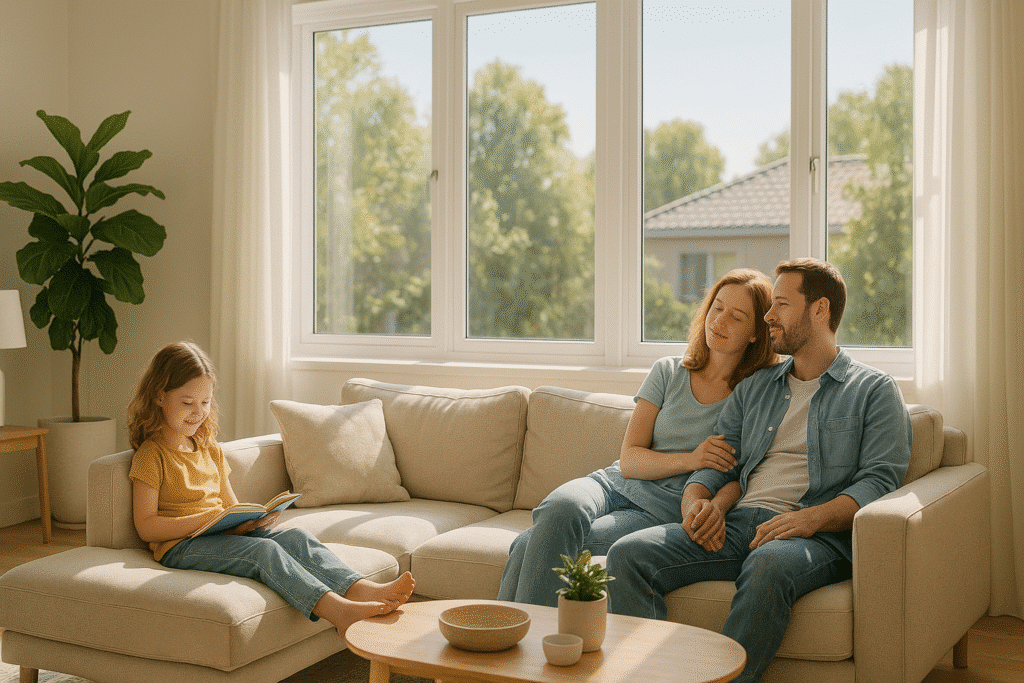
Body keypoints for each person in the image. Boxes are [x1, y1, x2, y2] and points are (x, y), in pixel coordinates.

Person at [606, 258, 912, 683]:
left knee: (767, 565)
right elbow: (718, 463)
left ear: (820, 310)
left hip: (817, 536)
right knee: (628, 554)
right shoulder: (756, 388)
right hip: (740, 524)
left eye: (781, 304)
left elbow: (880, 481)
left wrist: (808, 519)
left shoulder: (874, 391)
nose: (769, 316)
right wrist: (696, 504)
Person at [497, 269, 779, 606]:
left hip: (658, 511)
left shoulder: (754, 396)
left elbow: (742, 475)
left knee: (527, 544)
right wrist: (692, 459)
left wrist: (716, 505)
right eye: (717, 308)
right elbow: (630, 460)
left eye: (736, 316)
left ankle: (514, 644)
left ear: (754, 334)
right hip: (612, 484)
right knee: (560, 507)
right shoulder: (668, 370)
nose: (720, 321)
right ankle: (518, 643)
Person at [128, 341, 415, 639]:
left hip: (217, 534)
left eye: (206, 402)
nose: (198, 412)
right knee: (262, 551)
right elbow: (146, 527)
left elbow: (230, 505)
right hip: (180, 547)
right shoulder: (151, 455)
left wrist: (249, 521)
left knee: (295, 536)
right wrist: (206, 521)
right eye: (188, 403)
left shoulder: (209, 447)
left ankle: (362, 589)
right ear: (160, 396)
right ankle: (339, 613)